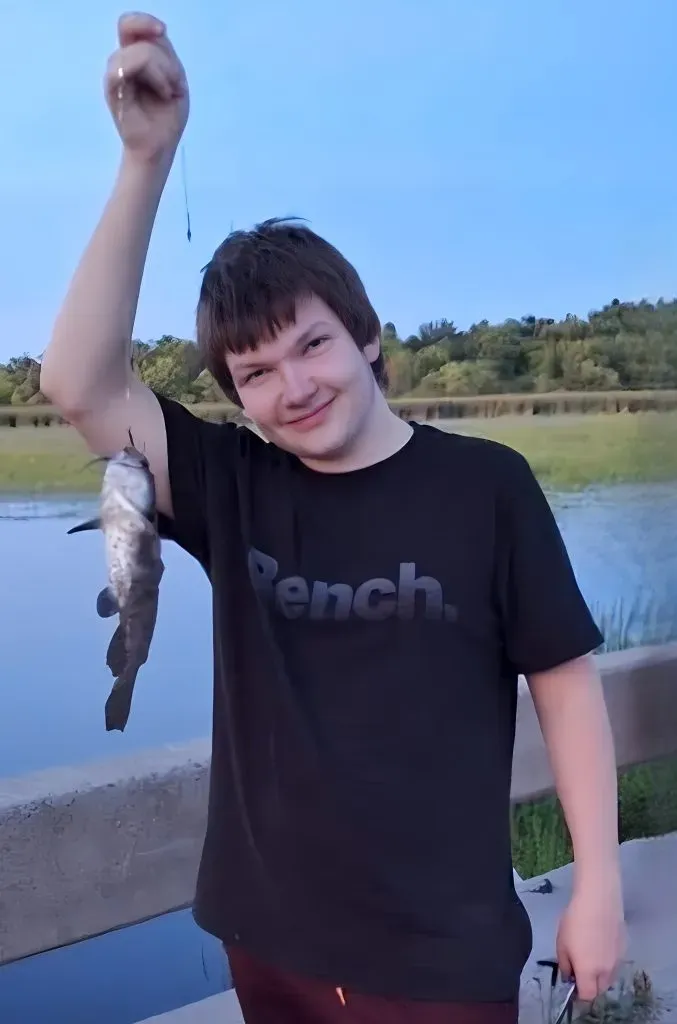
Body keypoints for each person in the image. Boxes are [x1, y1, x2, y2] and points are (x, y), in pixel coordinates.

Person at [41, 12, 626, 1023]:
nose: (293, 385)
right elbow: (79, 383)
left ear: (365, 336)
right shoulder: (233, 485)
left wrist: (597, 885)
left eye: (311, 346)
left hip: (443, 957)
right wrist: (147, 159)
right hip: (265, 936)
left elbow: (565, 687)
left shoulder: (488, 486)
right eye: (254, 372)